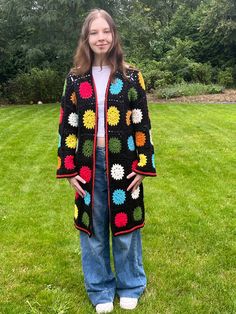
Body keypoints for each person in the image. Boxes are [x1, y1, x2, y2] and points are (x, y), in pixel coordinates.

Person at [56, 8, 156, 314]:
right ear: (86, 38)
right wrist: (68, 167)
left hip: (123, 163)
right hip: (87, 163)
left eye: (106, 31)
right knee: (93, 230)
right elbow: (67, 123)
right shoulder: (76, 79)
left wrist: (143, 163)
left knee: (125, 230)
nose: (101, 38)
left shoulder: (131, 76)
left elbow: (141, 123)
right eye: (94, 33)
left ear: (114, 35)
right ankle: (99, 288)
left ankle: (130, 284)